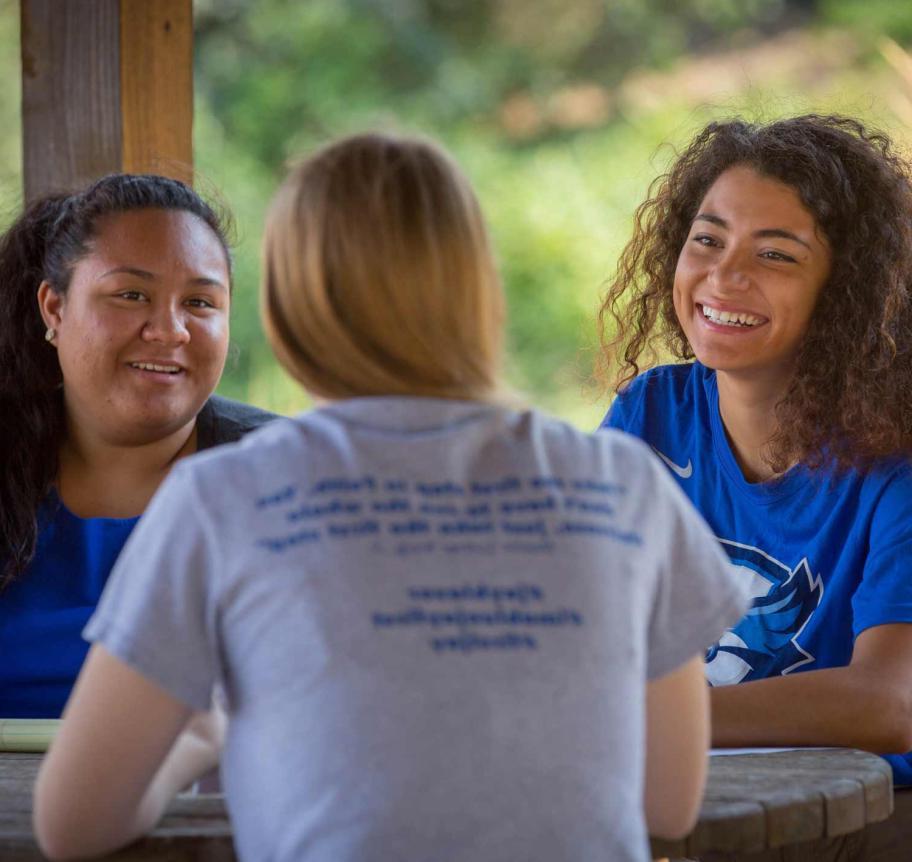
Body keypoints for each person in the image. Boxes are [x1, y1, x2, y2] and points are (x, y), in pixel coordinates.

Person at [33, 133, 748, 861]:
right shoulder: (624, 486)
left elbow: (73, 825)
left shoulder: (226, 497)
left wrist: (200, 738)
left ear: (287, 300)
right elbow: (668, 801)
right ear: (477, 283)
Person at [597, 115, 912, 861]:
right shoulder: (652, 414)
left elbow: (893, 701)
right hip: (689, 787)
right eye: (707, 240)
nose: (723, 276)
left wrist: (655, 718)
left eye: (775, 254)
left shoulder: (896, 462)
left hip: (864, 816)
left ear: (849, 295)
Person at [0, 173, 274, 718]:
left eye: (200, 302)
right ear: (54, 309)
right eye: (131, 294)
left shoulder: (285, 477)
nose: (170, 330)